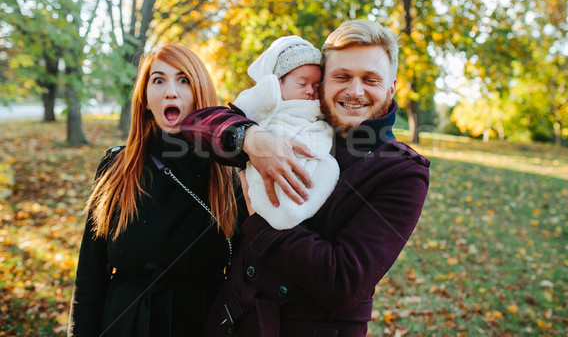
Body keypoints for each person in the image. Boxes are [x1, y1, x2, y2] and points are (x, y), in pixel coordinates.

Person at [181, 19, 430, 337]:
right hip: (234, 318)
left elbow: (344, 282)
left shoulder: (403, 172)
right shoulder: (287, 120)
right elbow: (195, 125)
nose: (354, 91)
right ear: (323, 81)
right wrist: (250, 138)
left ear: (391, 87)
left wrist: (261, 224)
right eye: (342, 76)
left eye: (370, 79)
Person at [68, 45, 244, 336]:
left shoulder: (229, 175)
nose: (170, 92)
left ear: (201, 93)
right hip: (126, 322)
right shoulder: (116, 167)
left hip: (201, 322)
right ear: (146, 99)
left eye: (183, 79)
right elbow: (90, 276)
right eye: (158, 80)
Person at [233, 35, 339, 230]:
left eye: (317, 86)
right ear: (278, 83)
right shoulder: (267, 106)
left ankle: (297, 208)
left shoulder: (321, 110)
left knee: (330, 168)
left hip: (308, 166)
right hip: (270, 162)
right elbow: (237, 114)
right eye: (302, 84)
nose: (310, 91)